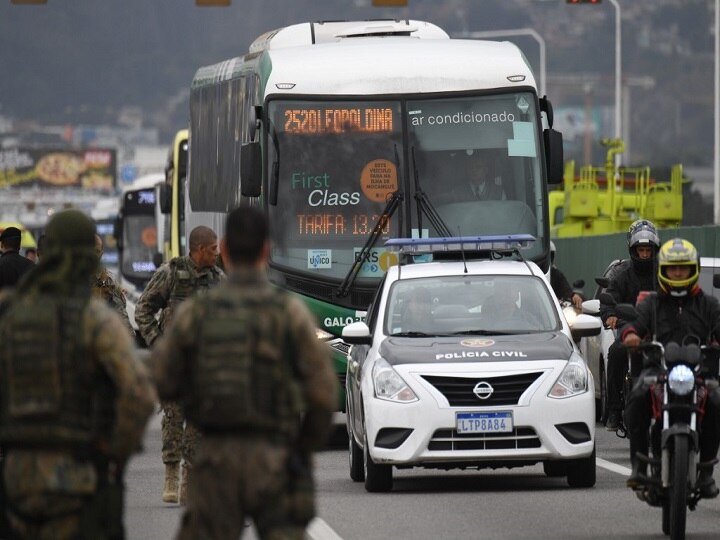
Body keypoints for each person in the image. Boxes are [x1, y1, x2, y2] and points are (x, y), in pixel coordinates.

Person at [151, 206, 337, 539]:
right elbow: (323, 395)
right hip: (274, 462)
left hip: (216, 462)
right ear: (266, 250)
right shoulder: (289, 314)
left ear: (223, 250)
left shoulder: (196, 314)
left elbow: (163, 378)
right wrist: (298, 449)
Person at [0, 209, 156, 539]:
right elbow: (138, 396)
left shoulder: (10, 315)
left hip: (17, 478)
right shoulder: (95, 322)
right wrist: (112, 452)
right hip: (78, 476)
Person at [622, 238, 720, 498]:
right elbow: (636, 324)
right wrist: (631, 335)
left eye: (683, 268)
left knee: (717, 400)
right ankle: (640, 464)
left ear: (693, 269)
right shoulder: (652, 303)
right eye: (673, 268)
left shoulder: (709, 305)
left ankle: (707, 471)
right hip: (659, 370)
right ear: (663, 270)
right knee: (638, 396)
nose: (678, 273)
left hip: (699, 373)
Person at [134, 225, 225, 505]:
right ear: (199, 249)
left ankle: (190, 479)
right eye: (212, 249)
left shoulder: (218, 280)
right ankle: (171, 475)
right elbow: (143, 310)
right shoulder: (170, 273)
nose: (217, 253)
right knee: (173, 418)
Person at [600, 218, 660, 431]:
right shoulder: (621, 275)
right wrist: (609, 315)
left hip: (659, 330)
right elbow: (609, 299)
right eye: (641, 250)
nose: (645, 254)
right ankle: (615, 410)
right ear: (633, 250)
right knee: (616, 352)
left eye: (648, 250)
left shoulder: (663, 274)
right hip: (630, 327)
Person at [93, 234, 134, 336]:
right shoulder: (68, 277)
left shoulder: (108, 280)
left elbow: (121, 314)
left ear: (101, 254)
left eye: (97, 252)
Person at [549, 241, 583, 309]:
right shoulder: (531, 273)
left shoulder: (556, 274)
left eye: (549, 256)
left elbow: (565, 289)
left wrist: (573, 296)